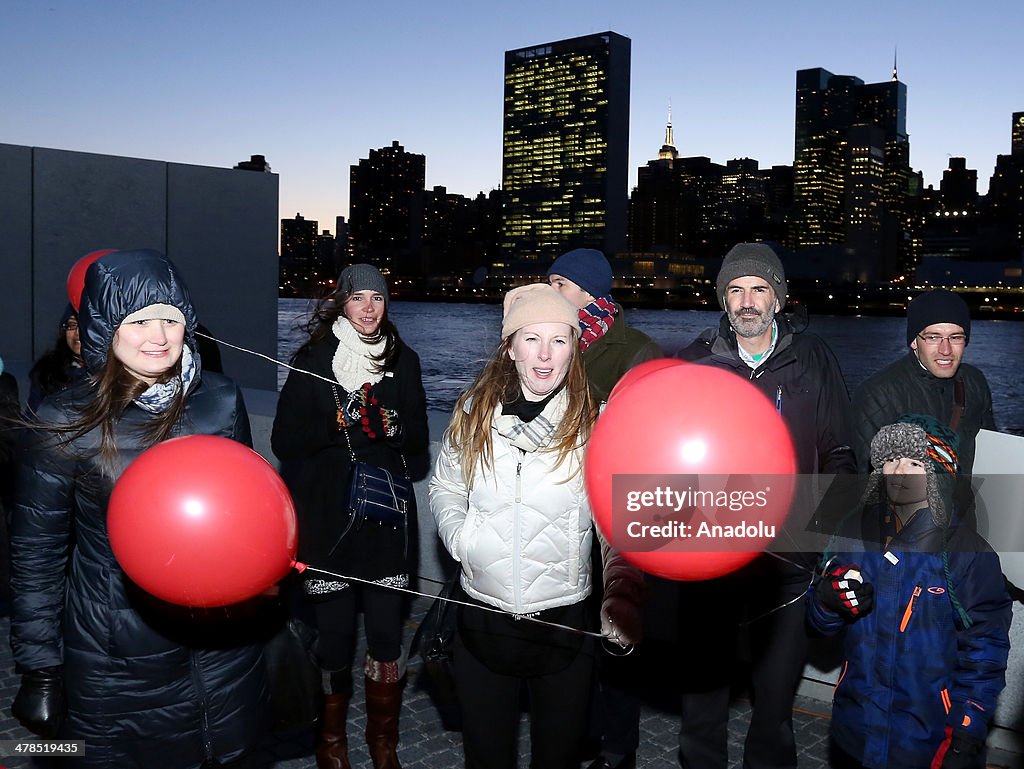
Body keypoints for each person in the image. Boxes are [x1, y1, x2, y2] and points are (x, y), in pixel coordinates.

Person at [9, 249, 268, 767]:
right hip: (118, 651)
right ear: (106, 327)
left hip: (223, 643)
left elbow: (250, 511)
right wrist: (40, 666)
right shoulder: (66, 417)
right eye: (139, 320)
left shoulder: (219, 398)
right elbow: (35, 554)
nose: (159, 335)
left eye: (171, 319)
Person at [429, 284, 644, 769]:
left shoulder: (596, 423)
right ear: (509, 346)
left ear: (575, 347)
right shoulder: (472, 413)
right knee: (486, 760)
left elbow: (618, 522)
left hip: (564, 626)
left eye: (560, 340)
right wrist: (461, 539)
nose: (545, 355)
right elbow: (444, 486)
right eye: (531, 339)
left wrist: (622, 593)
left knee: (559, 760)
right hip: (482, 621)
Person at [661, 242, 855, 769]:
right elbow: (665, 458)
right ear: (723, 299)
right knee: (702, 706)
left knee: (774, 710)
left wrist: (817, 532)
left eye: (759, 289)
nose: (747, 301)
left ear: (779, 299)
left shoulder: (812, 359)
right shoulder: (692, 361)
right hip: (709, 565)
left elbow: (841, 452)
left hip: (787, 566)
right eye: (736, 290)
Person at [272, 263, 429, 769]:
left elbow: (421, 450)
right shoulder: (313, 360)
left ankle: (384, 742)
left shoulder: (404, 361)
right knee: (335, 637)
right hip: (327, 524)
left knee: (386, 639)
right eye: (358, 297)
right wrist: (333, 423)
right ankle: (331, 742)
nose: (368, 307)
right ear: (341, 301)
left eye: (377, 298)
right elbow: (284, 443)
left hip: (383, 522)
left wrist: (393, 425)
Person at [807, 415, 1011, 769]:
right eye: (890, 460)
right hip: (855, 731)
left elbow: (984, 652)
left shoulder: (968, 554)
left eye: (915, 462)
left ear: (939, 477)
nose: (899, 471)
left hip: (927, 742)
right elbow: (819, 625)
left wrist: (966, 731)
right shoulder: (851, 535)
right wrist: (827, 602)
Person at [545, 248, 659, 769]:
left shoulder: (634, 350)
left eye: (560, 284)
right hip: (562, 509)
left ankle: (618, 747)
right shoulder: (551, 344)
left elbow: (649, 435)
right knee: (572, 631)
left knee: (617, 632)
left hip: (614, 515)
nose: (552, 294)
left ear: (589, 291)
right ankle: (579, 734)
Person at [850, 289, 995, 476]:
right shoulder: (877, 394)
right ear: (914, 342)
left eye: (955, 337)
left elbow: (992, 454)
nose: (945, 349)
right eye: (933, 337)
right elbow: (866, 476)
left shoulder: (975, 382)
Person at [546, 247, 660, 401]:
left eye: (560, 284)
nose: (550, 291)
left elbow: (644, 411)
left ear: (589, 293)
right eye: (550, 283)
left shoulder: (638, 349)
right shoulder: (541, 338)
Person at [26, 303, 88, 415]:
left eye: (84, 324)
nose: (77, 333)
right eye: (72, 325)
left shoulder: (112, 371)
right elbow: (32, 419)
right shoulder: (47, 371)